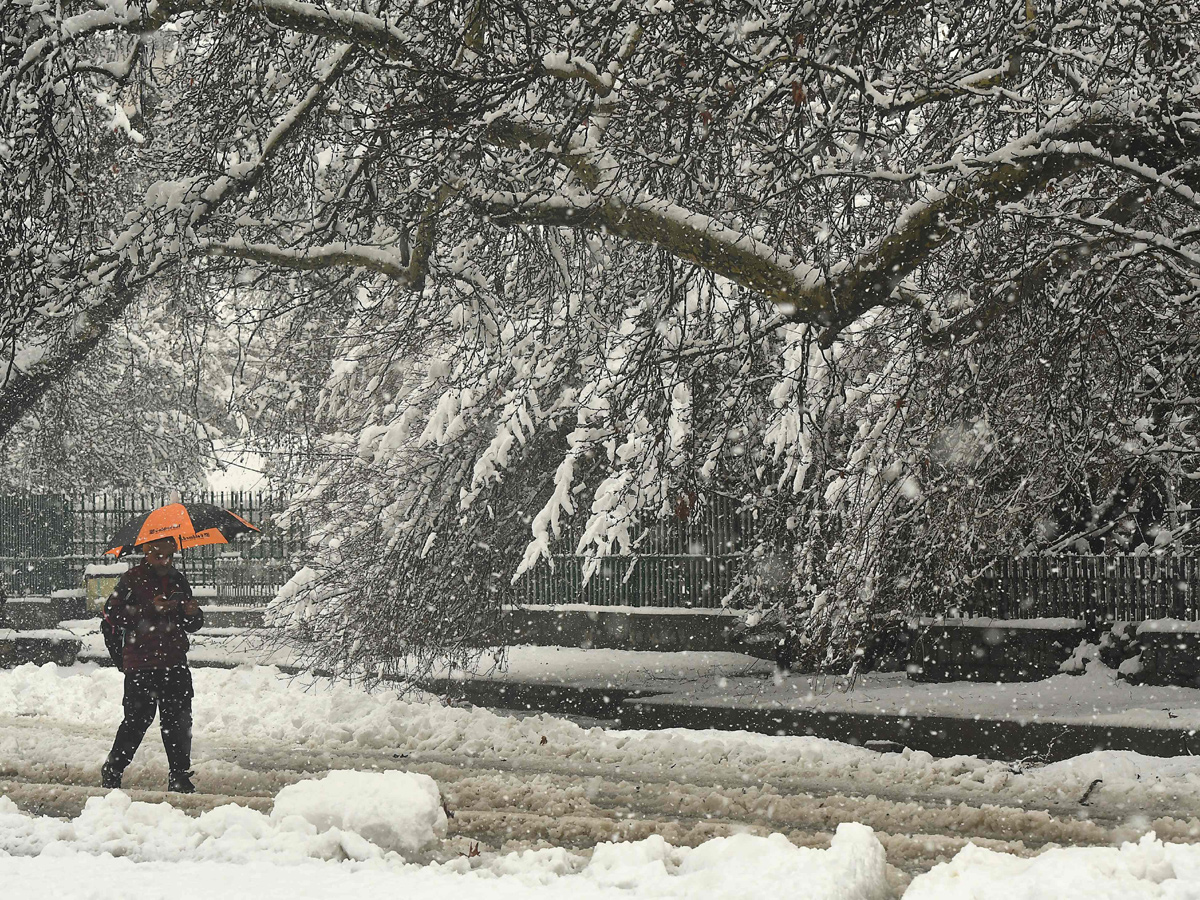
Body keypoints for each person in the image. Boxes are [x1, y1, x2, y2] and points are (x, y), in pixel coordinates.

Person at [100, 536, 204, 793]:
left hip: (174, 661)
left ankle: (179, 776)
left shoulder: (178, 579)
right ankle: (113, 769)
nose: (164, 561)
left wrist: (193, 614)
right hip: (141, 663)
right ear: (147, 553)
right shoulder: (132, 579)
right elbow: (111, 613)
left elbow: (192, 625)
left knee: (178, 722)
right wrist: (148, 609)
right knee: (137, 721)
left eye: (169, 556)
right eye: (159, 556)